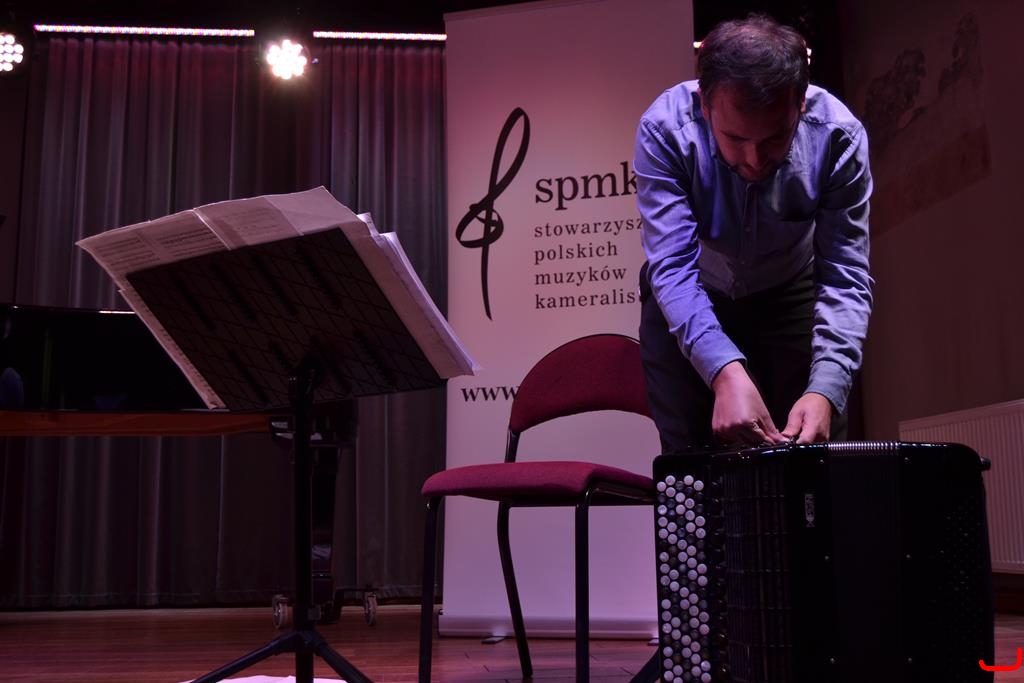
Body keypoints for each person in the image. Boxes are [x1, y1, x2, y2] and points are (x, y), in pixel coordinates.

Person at [635, 14, 873, 452]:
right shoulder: (663, 130)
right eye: (735, 138)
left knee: (813, 458)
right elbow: (672, 268)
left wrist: (825, 389)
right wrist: (723, 370)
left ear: (801, 104)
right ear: (705, 105)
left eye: (774, 139)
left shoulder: (840, 136)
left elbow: (844, 275)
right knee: (693, 464)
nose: (754, 159)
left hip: (792, 291)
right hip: (693, 288)